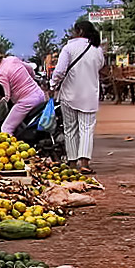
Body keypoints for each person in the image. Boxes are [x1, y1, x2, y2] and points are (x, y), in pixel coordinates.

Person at [51, 19, 105, 173]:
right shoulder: (97, 50)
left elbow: (60, 71)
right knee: (86, 129)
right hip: (89, 95)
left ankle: (72, 164)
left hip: (69, 95)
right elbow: (100, 66)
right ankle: (85, 164)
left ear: (79, 31)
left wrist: (53, 85)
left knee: (70, 129)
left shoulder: (68, 48)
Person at [0, 47, 46, 135]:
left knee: (6, 128)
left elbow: (6, 96)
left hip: (26, 101)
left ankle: (12, 148)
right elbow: (30, 69)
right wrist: (30, 81)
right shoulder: (12, 59)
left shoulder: (1, 73)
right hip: (39, 94)